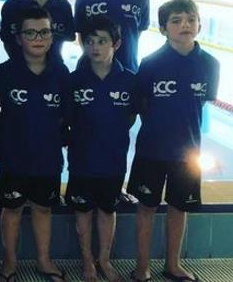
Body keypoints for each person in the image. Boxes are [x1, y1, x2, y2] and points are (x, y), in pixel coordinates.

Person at [127, 0, 219, 282]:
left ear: (199, 25)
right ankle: (142, 266)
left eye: (190, 19)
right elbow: (142, 104)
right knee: (146, 207)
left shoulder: (210, 64)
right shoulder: (150, 64)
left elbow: (203, 101)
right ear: (164, 28)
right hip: (152, 149)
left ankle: (173, 264)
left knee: (179, 208)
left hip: (188, 152)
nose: (185, 25)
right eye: (176, 21)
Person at [0, 7, 70, 282]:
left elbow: (65, 116)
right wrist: (10, 135)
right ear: (19, 38)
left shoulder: (61, 73)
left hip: (47, 156)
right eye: (31, 33)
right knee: (11, 209)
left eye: (44, 32)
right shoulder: (5, 72)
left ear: (52, 37)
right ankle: (9, 263)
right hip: (13, 154)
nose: (38, 38)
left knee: (43, 208)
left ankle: (44, 260)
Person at [67, 15, 137, 282]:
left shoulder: (129, 81)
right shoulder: (74, 81)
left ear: (116, 44)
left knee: (108, 210)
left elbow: (130, 117)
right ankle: (87, 261)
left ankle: (104, 260)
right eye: (89, 41)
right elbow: (67, 119)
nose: (95, 47)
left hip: (113, 159)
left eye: (102, 41)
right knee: (83, 212)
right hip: (81, 159)